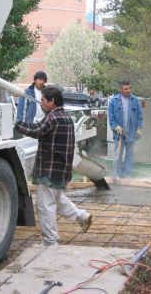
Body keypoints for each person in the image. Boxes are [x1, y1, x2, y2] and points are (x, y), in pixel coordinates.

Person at [15, 86, 92, 246]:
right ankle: (82, 216)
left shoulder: (53, 118)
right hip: (60, 170)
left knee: (45, 206)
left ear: (52, 101)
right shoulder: (65, 117)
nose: (41, 103)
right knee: (58, 199)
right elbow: (40, 129)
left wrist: (16, 125)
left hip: (49, 170)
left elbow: (37, 131)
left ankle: (51, 242)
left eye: (43, 100)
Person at [108, 81, 143, 179]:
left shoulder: (135, 100)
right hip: (119, 133)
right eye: (126, 89)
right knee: (118, 154)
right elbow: (111, 118)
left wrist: (139, 128)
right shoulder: (113, 101)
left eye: (129, 88)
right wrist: (115, 126)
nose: (128, 91)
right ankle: (116, 174)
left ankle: (127, 174)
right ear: (121, 90)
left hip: (131, 132)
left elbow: (140, 116)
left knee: (129, 155)